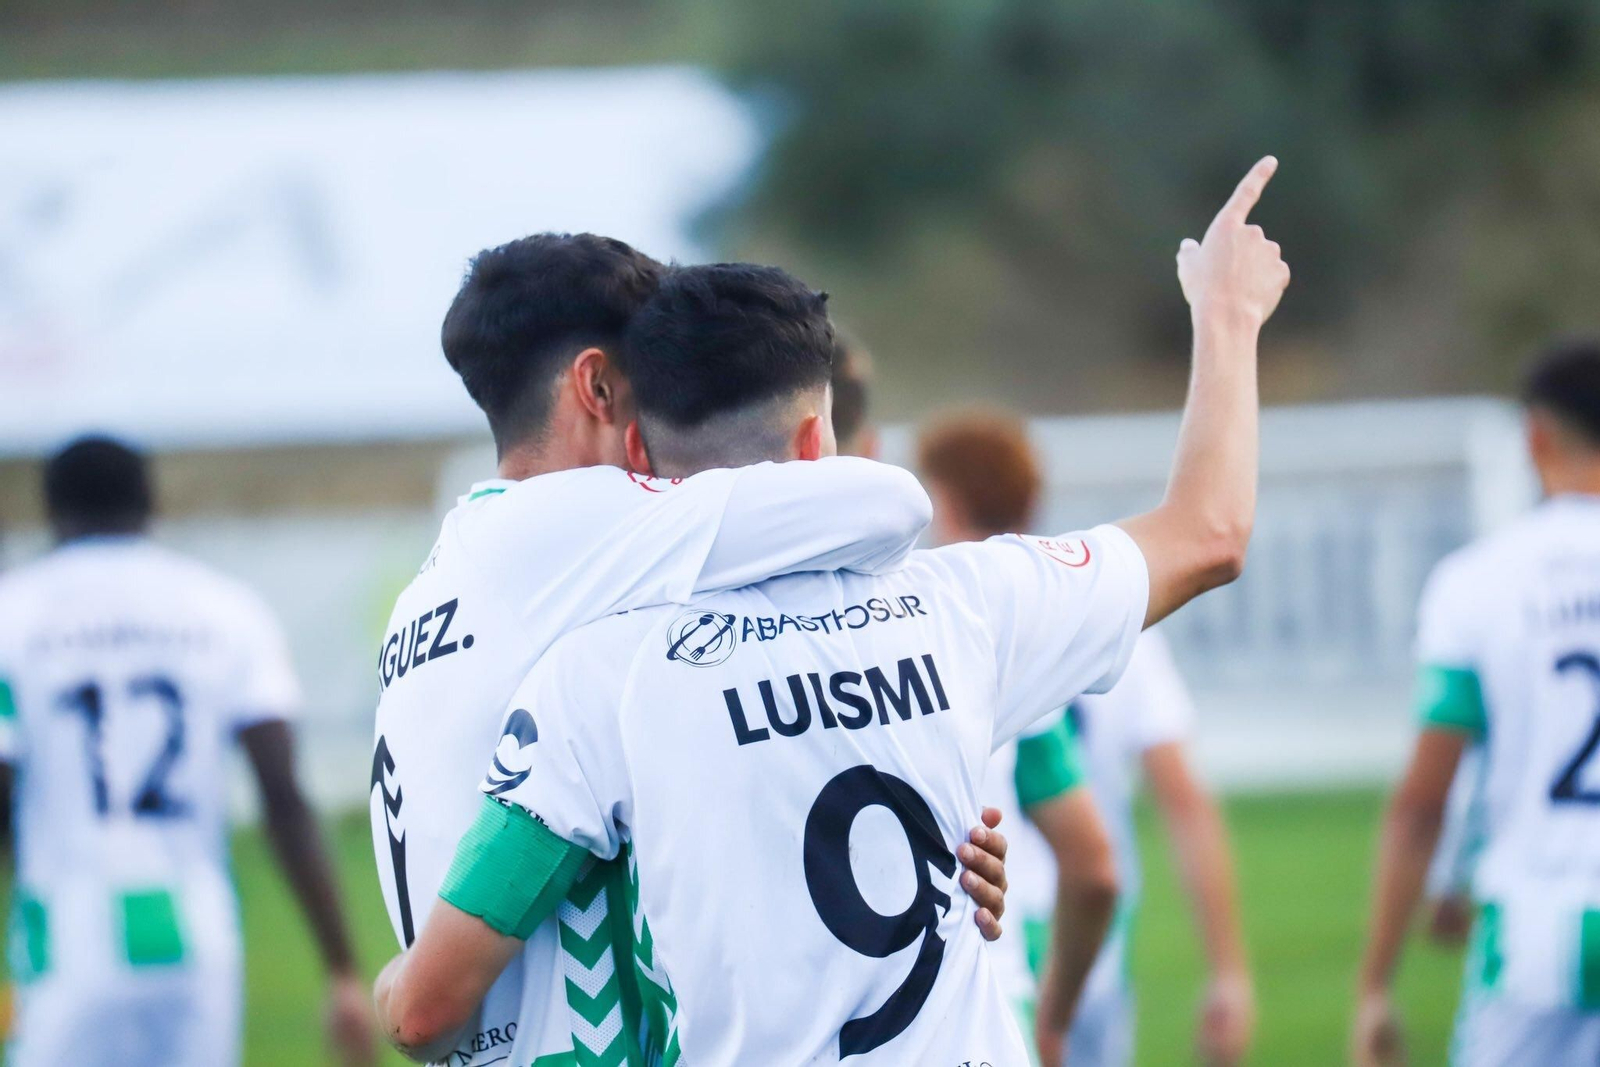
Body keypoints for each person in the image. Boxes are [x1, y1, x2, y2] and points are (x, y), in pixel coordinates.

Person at [378, 156, 1289, 1064]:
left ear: (649, 438)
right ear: (824, 439)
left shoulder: (574, 662)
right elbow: (1207, 533)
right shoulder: (958, 605)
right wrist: (1227, 315)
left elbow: (441, 993)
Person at [368, 232, 1012, 1067]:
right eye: (657, 384)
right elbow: (884, 505)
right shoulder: (588, 519)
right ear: (598, 384)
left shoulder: (437, 581)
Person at [0, 436, 374, 1067]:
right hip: (194, 933)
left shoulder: (16, 612)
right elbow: (282, 795)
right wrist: (340, 967)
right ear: (150, 504)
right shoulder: (222, 608)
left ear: (52, 509)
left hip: (67, 926)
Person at [919, 411, 1254, 1067]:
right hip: (1093, 943)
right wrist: (1227, 967)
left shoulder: (943, 629)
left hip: (1003, 939)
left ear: (948, 503)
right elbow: (1183, 803)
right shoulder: (1125, 627)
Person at [1353, 341, 1600, 1067]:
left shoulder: (1479, 582)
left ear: (1534, 437)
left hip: (1534, 930)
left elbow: (1424, 801)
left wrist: (1375, 985)